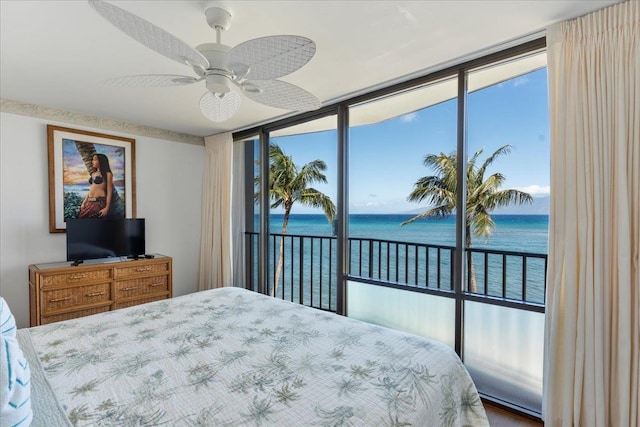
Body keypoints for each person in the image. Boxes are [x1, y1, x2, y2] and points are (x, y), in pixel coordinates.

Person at [79, 153, 114, 218]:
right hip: (89, 202)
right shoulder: (93, 174)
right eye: (93, 160)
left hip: (99, 202)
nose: (93, 161)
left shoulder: (108, 174)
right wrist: (84, 201)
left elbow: (109, 192)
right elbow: (91, 189)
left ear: (101, 161)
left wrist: (107, 208)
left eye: (95, 160)